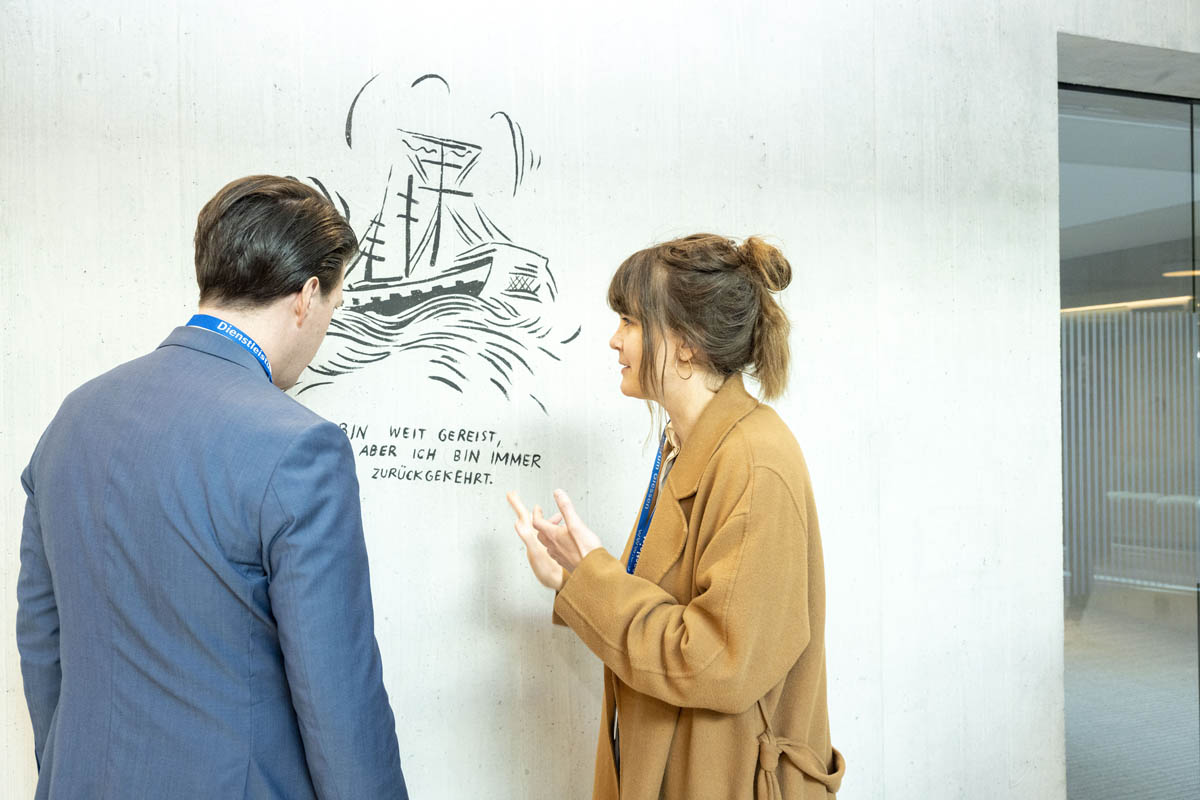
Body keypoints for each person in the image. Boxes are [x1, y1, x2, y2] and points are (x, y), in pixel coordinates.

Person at [17, 175, 409, 799]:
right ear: (308, 296)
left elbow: (43, 641)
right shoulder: (300, 447)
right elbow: (339, 703)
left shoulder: (74, 418)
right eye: (334, 307)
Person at [508, 234, 844, 799]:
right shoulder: (689, 444)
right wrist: (572, 577)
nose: (615, 339)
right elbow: (668, 603)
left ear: (685, 343)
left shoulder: (754, 462)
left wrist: (593, 576)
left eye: (630, 321)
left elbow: (717, 659)